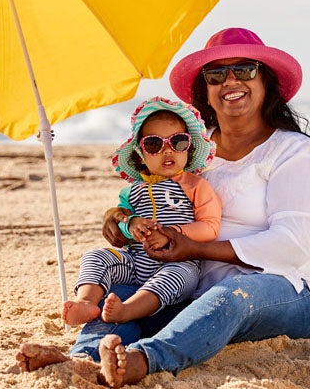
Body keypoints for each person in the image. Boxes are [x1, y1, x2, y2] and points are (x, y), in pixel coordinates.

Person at [17, 27, 310, 388]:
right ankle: (81, 359)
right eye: (216, 75)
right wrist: (120, 220)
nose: (231, 81)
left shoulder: (292, 151)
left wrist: (197, 247)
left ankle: (144, 360)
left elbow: (292, 245)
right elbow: (151, 198)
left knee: (231, 296)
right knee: (123, 298)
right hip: (191, 290)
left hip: (281, 292)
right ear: (204, 92)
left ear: (266, 80)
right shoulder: (187, 151)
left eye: (245, 70)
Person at [62, 97, 221, 326]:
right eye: (155, 145)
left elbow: (210, 227)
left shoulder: (195, 186)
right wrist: (131, 223)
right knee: (96, 256)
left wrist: (171, 233)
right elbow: (119, 227)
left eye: (177, 142)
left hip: (177, 261)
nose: (168, 151)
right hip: (135, 261)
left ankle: (128, 310)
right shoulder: (131, 192)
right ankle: (86, 301)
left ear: (189, 147)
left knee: (176, 277)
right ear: (140, 153)